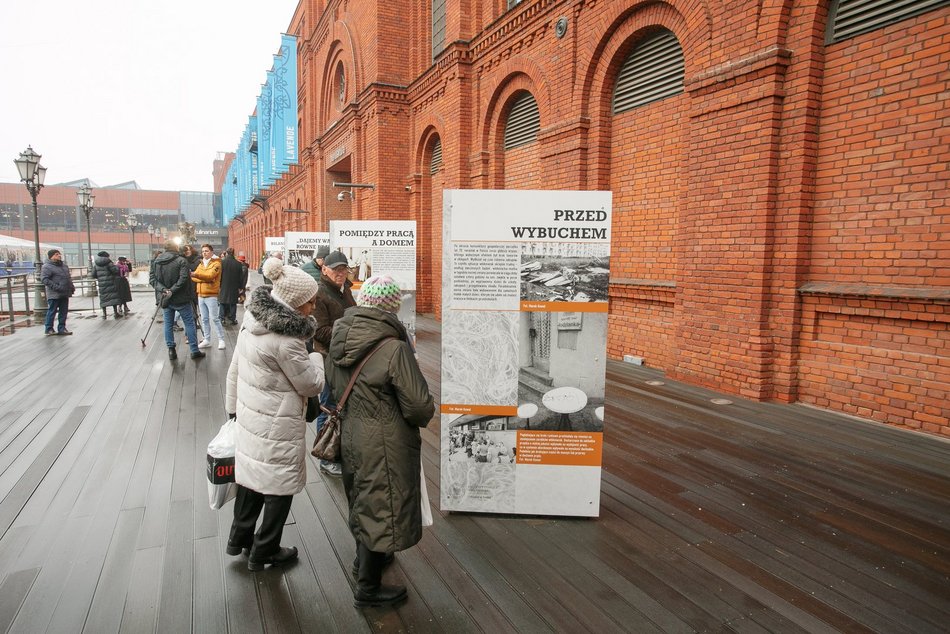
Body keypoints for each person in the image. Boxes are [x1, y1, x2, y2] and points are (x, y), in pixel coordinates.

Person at [325, 275, 434, 608]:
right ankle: (367, 587)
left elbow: (330, 385)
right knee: (382, 504)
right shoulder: (393, 347)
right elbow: (418, 406)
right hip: (384, 439)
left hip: (351, 433)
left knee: (362, 498)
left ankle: (365, 560)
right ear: (391, 307)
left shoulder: (339, 335)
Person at [224, 257, 325, 571]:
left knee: (252, 476)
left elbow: (234, 370)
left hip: (251, 415)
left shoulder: (252, 320)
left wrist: (231, 410)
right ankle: (265, 550)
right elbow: (310, 384)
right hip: (277, 422)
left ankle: (239, 539)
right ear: (295, 303)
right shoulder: (287, 340)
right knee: (278, 484)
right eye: (311, 301)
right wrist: (318, 359)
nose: (314, 306)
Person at [311, 250, 356, 477]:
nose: (340, 272)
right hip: (329, 358)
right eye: (336, 269)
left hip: (345, 356)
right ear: (324, 270)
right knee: (328, 407)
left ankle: (338, 451)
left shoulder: (344, 288)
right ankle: (325, 457)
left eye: (343, 268)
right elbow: (319, 330)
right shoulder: (320, 294)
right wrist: (349, 333)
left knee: (340, 406)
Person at [149, 241, 205, 360]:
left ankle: (171, 350)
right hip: (182, 298)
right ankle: (194, 350)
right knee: (189, 323)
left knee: (168, 325)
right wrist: (172, 290)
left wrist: (164, 290)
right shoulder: (181, 260)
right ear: (176, 248)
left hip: (165, 299)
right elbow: (184, 278)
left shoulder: (156, 261)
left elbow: (152, 280)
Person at [192, 244, 226, 350]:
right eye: (203, 251)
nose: (204, 253)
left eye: (206, 251)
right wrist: (203, 278)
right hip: (201, 295)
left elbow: (210, 276)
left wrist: (197, 276)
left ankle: (221, 340)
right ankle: (206, 339)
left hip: (211, 294)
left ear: (211, 252)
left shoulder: (217, 263)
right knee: (204, 319)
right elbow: (196, 278)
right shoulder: (201, 263)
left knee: (215, 318)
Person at [40, 249, 75, 336]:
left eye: (59, 254)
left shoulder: (64, 266)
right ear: (51, 256)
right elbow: (44, 279)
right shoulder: (47, 266)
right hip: (54, 294)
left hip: (64, 292)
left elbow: (68, 278)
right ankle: (49, 328)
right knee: (52, 311)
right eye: (56, 254)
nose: (59, 256)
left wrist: (71, 286)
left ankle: (62, 328)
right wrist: (56, 287)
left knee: (63, 311)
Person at [92, 251, 125, 319]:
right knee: (113, 297)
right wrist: (116, 267)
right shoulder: (109, 263)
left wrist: (100, 278)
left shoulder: (96, 264)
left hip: (101, 284)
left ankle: (104, 314)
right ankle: (115, 313)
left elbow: (93, 275)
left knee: (103, 298)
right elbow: (115, 271)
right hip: (110, 282)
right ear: (106, 256)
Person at [218, 248, 246, 326]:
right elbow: (241, 277)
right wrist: (241, 287)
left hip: (223, 285)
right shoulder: (238, 263)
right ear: (233, 253)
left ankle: (222, 318)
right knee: (233, 303)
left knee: (222, 302)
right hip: (234, 286)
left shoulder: (222, 262)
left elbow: (219, 275)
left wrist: (219, 285)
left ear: (227, 253)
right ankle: (232, 319)